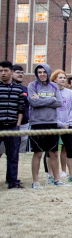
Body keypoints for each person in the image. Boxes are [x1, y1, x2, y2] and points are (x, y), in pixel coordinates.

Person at [28, 64, 64, 188]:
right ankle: (36, 182)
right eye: (39, 72)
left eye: (44, 72)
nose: (42, 74)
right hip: (37, 123)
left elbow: (59, 102)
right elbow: (33, 102)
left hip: (52, 123)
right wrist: (50, 100)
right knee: (38, 153)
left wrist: (41, 99)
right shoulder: (32, 85)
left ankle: (57, 180)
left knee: (53, 152)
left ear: (48, 72)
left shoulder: (54, 86)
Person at [49, 70, 72, 184]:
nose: (63, 79)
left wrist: (67, 123)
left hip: (67, 126)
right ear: (54, 79)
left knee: (70, 150)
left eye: (64, 77)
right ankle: (51, 176)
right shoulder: (51, 92)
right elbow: (50, 110)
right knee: (51, 151)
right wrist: (59, 123)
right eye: (60, 78)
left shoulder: (70, 93)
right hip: (53, 125)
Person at [0, 61, 26, 189]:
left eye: (5, 70)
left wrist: (18, 123)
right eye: (0, 71)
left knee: (13, 155)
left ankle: (12, 181)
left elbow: (21, 108)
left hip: (13, 126)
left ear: (11, 72)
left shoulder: (17, 89)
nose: (3, 73)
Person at [11, 65, 29, 153]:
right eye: (18, 72)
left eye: (22, 73)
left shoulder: (25, 89)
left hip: (23, 124)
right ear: (11, 73)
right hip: (8, 124)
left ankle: (17, 167)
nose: (21, 75)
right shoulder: (6, 87)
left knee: (20, 152)